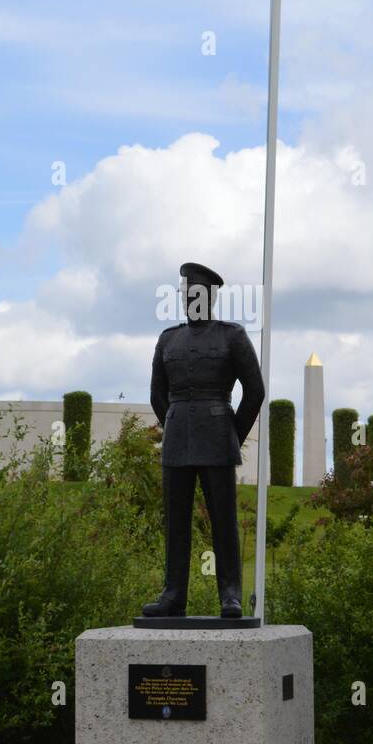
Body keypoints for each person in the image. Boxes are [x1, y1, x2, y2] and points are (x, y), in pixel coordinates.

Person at [142, 262, 265, 621]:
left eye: (194, 293)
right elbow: (156, 394)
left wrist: (231, 435)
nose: (187, 299)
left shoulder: (232, 336)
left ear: (209, 297)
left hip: (217, 442)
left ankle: (230, 595)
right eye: (184, 293)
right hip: (178, 442)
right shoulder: (168, 339)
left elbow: (254, 391)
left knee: (223, 520)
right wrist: (175, 423)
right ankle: (173, 594)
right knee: (176, 522)